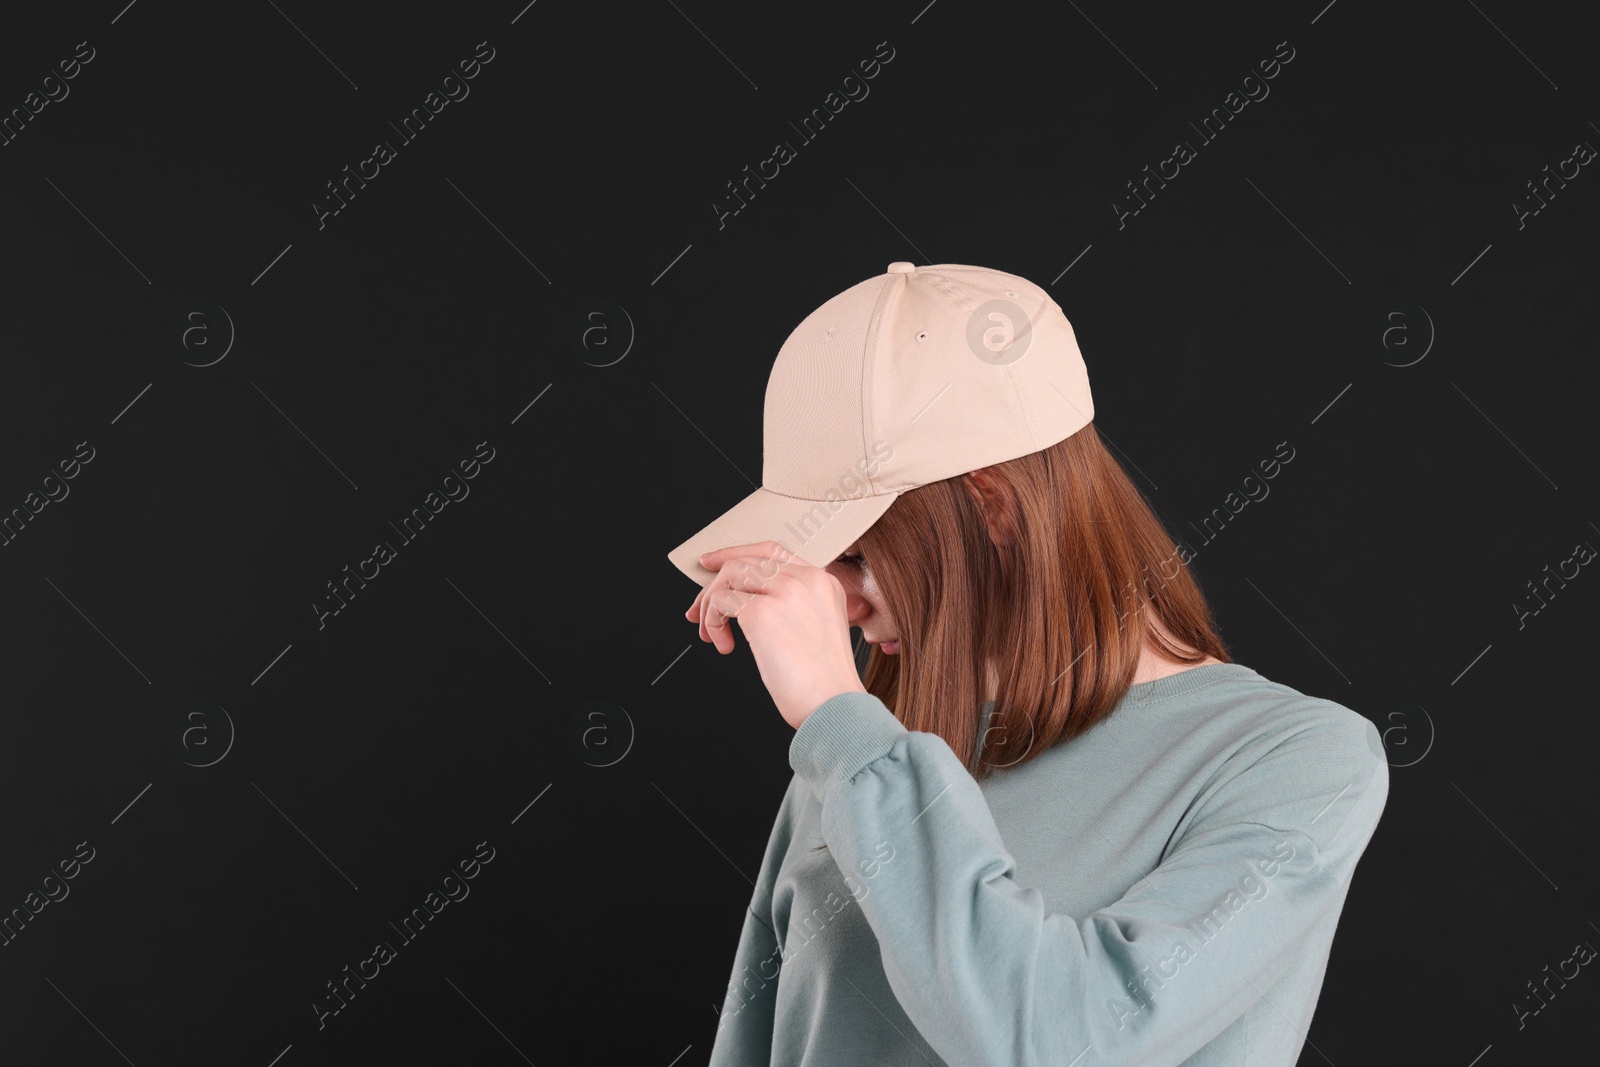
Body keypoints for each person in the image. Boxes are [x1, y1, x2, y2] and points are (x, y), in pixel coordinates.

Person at [666, 262, 1388, 1066]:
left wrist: (847, 730)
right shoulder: (861, 748)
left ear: (992, 506)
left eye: (859, 554)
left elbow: (1057, 1043)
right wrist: (850, 739)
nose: (837, 605)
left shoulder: (1297, 762)